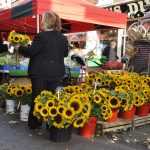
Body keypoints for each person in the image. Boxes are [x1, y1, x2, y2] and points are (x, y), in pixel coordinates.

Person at [14, 12, 69, 129]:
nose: (41, 22)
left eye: (42, 20)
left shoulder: (41, 36)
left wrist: (20, 48)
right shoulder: (63, 38)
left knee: (38, 99)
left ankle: (35, 124)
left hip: (40, 73)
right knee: (52, 100)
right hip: (56, 73)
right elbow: (65, 54)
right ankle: (51, 125)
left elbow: (32, 51)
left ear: (47, 21)